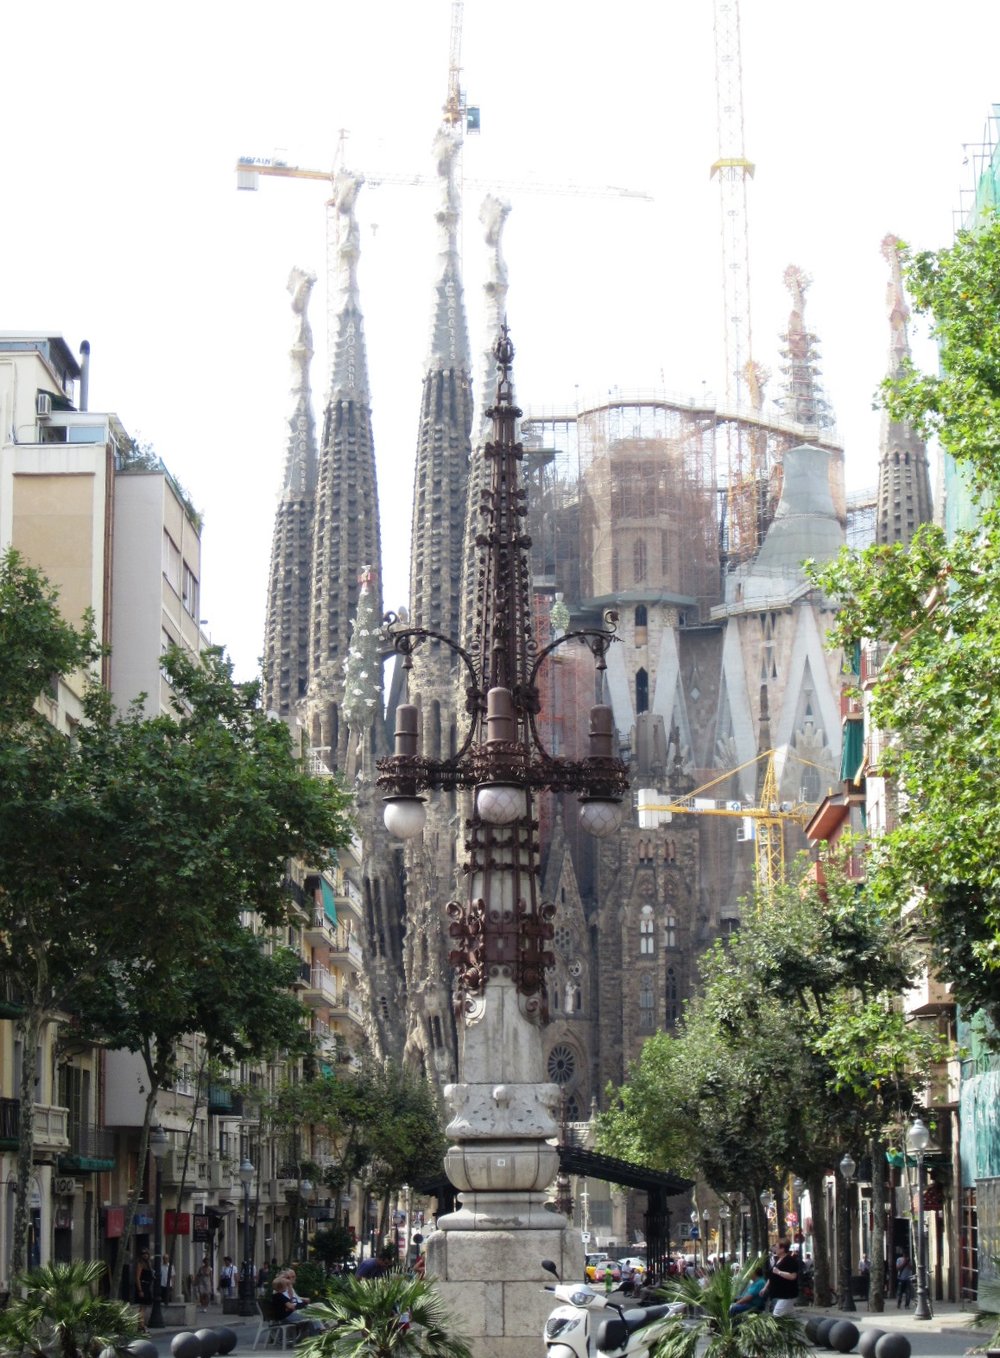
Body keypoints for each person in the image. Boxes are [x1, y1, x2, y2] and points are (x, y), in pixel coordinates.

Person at [763, 1237, 799, 1316]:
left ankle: (778, 1328)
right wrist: (765, 1288)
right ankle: (792, 1327)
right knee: (789, 1315)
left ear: (782, 1249)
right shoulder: (778, 1260)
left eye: (776, 1247)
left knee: (777, 1313)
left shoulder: (790, 1260)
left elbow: (793, 1276)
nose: (775, 1249)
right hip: (780, 1294)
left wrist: (779, 1272)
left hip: (787, 1294)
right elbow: (772, 1276)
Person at [136, 1251, 153, 1328]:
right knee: (142, 1306)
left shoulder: (148, 1264)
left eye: (147, 1254)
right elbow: (137, 1278)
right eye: (144, 1254)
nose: (145, 1255)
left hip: (147, 1286)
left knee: (145, 1306)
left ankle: (141, 1322)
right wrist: (140, 1290)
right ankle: (140, 1324)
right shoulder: (140, 1264)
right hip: (143, 1285)